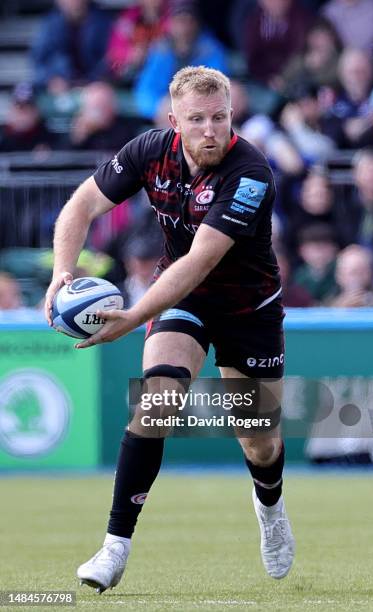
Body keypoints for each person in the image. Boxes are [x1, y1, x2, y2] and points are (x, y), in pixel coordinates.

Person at [44, 66, 294, 593]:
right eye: (197, 119)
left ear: (233, 115)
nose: (211, 130)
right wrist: (60, 273)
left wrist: (133, 316)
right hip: (183, 299)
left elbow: (201, 259)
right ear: (174, 120)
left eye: (220, 117)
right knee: (157, 401)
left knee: (260, 444)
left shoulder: (250, 172)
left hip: (249, 311)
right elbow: (82, 204)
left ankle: (270, 507)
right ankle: (114, 547)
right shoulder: (148, 150)